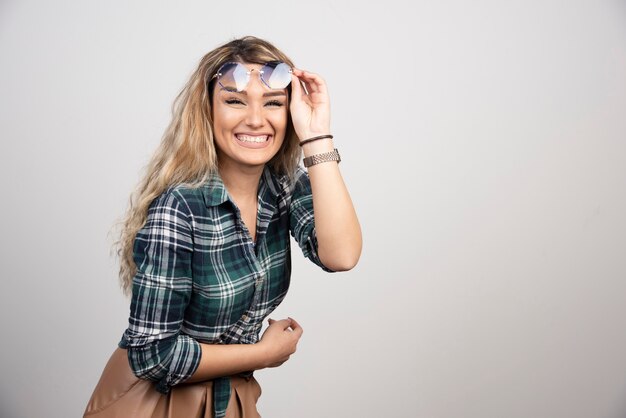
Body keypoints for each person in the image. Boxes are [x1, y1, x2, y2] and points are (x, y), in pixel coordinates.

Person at [83, 35, 362, 418]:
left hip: (232, 399)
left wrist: (315, 136)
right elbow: (152, 355)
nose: (255, 119)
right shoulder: (179, 208)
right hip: (159, 404)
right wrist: (262, 354)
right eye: (234, 100)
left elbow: (341, 256)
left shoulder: (281, 187)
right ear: (208, 111)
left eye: (273, 104)